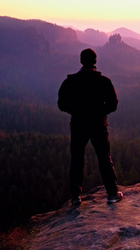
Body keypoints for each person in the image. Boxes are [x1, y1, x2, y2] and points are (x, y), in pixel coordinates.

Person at [58, 48, 123, 205]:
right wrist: (100, 112)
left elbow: (62, 104)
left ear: (81, 61)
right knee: (104, 158)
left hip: (78, 124)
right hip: (99, 125)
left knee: (77, 159)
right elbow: (113, 104)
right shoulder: (104, 82)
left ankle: (75, 197)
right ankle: (112, 194)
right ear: (95, 61)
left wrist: (77, 111)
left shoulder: (70, 82)